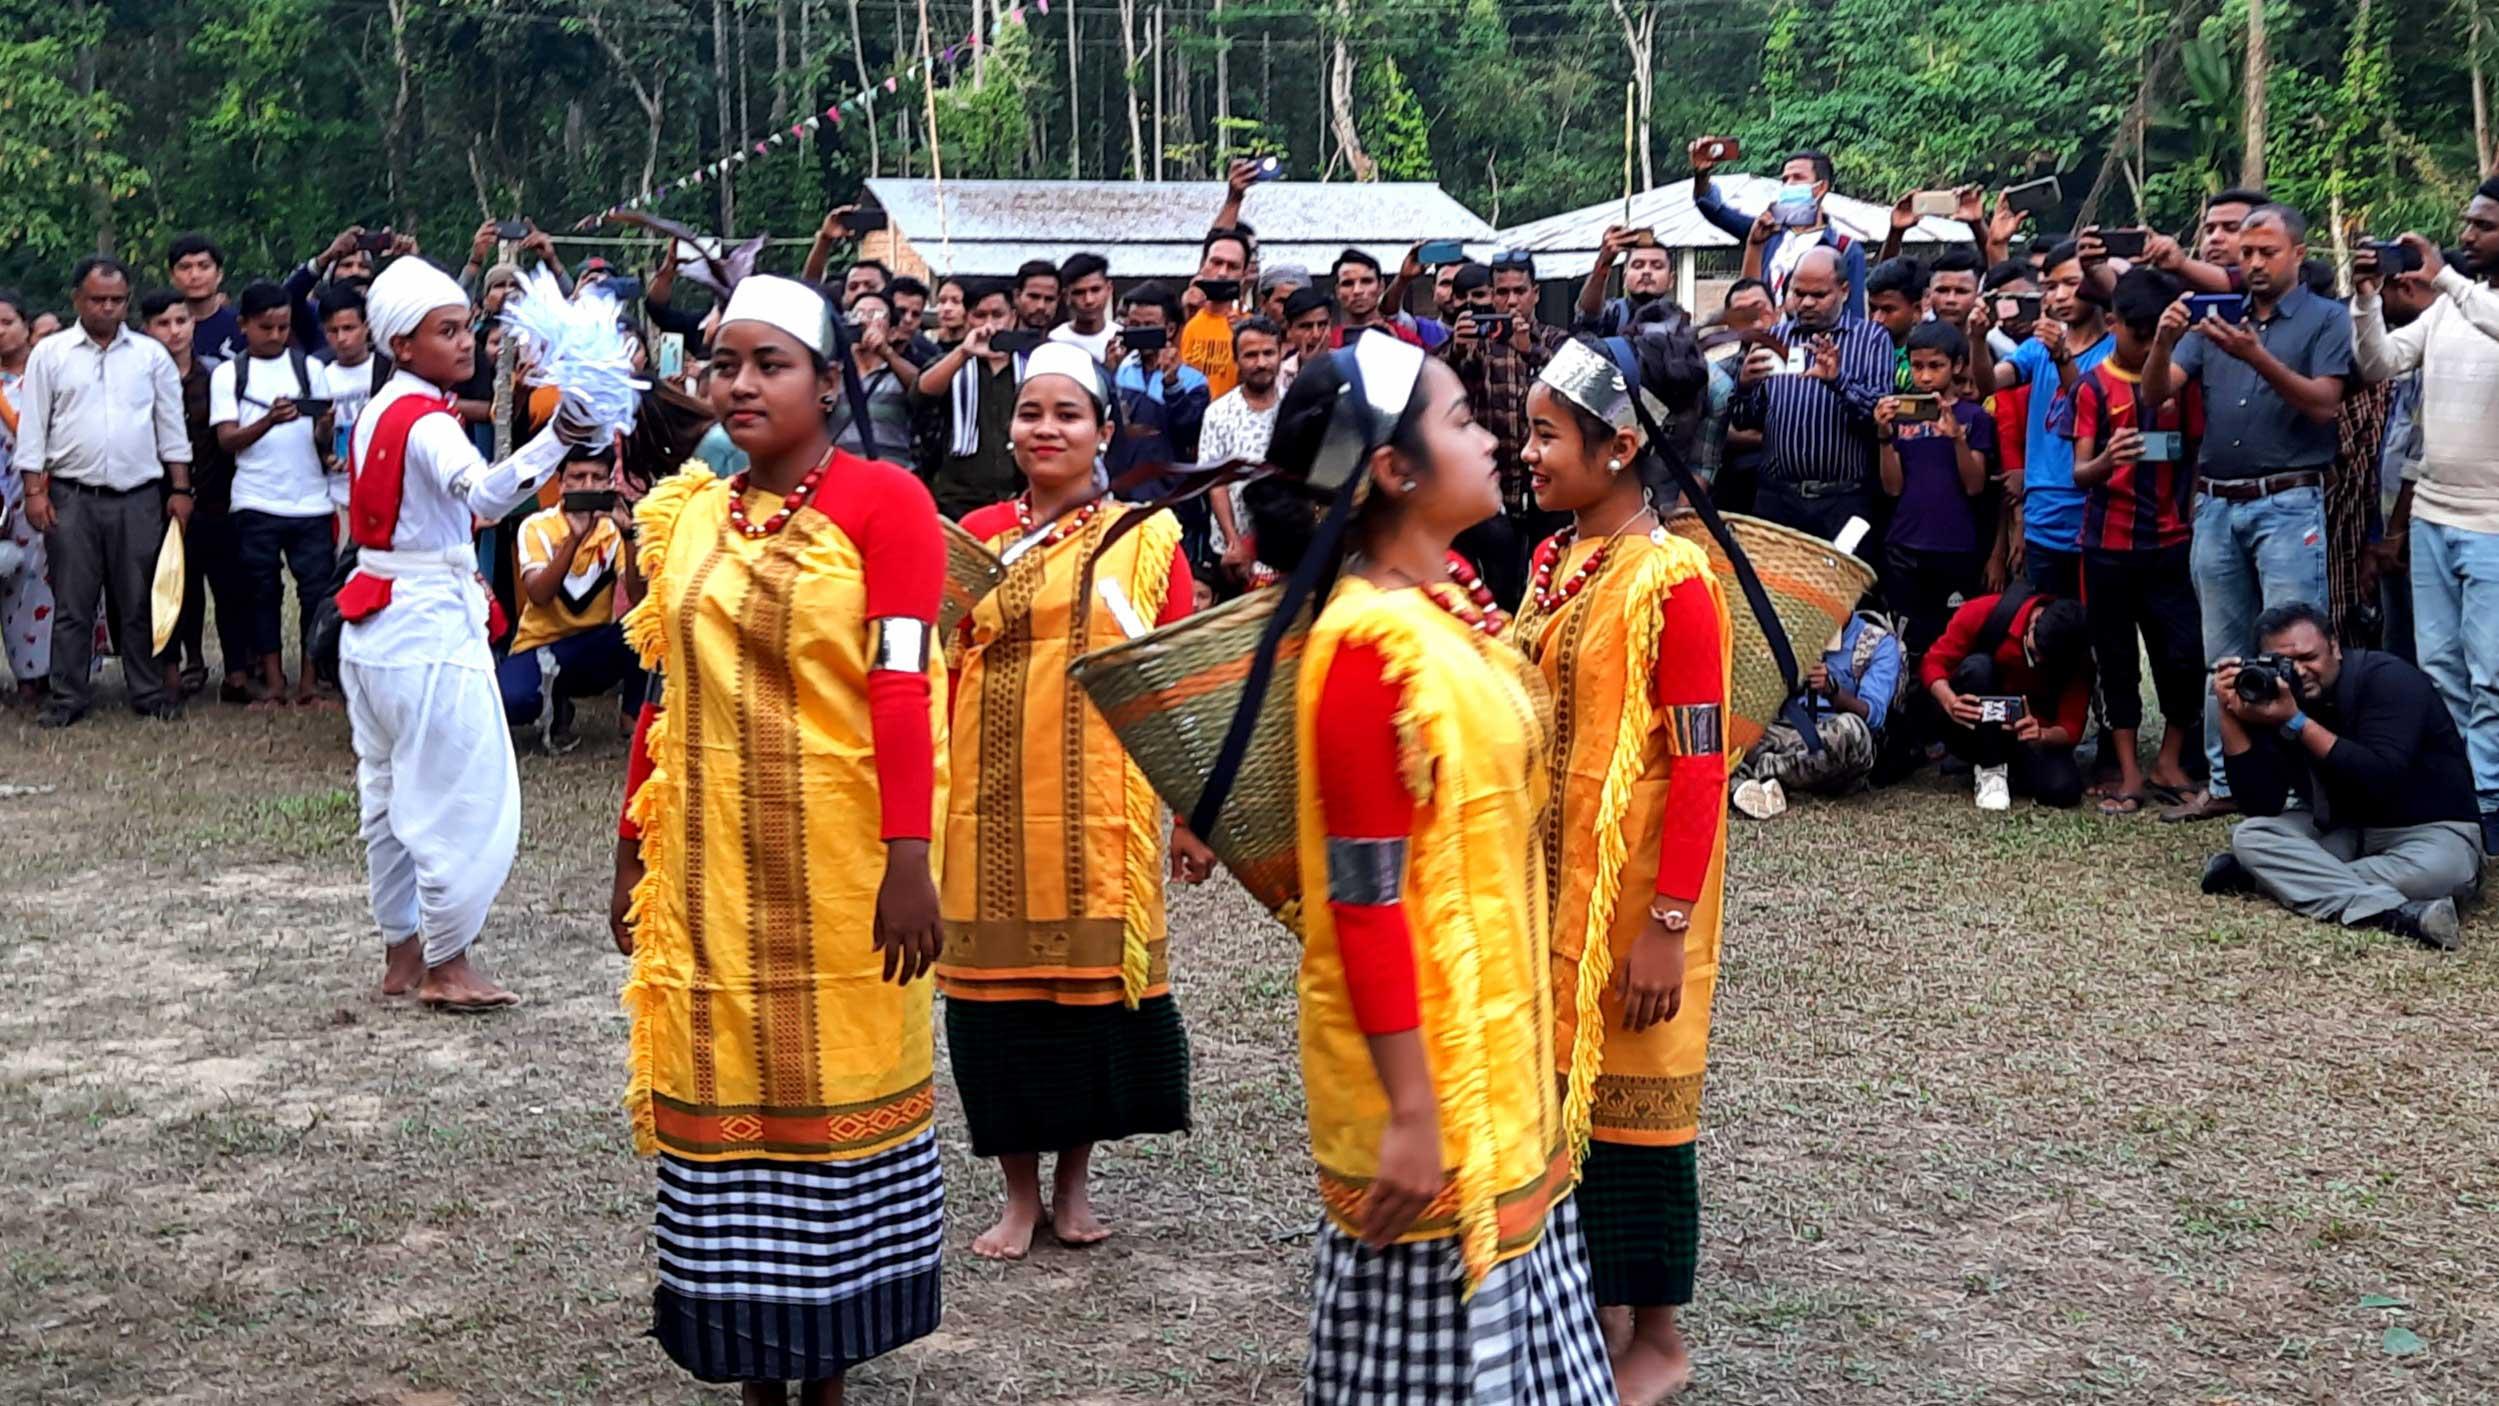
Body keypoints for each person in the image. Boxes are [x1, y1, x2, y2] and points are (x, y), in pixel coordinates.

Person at [1236, 335, 1609, 1403]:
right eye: (1460, 421)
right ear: (1393, 470)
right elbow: (1364, 898)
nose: (1492, 436)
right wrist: (1408, 1108)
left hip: (1498, 1051)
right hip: (1427, 1082)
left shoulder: (1453, 612)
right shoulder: (1368, 648)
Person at [610, 272, 951, 1403]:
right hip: (712, 873)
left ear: (825, 379)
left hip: (846, 866)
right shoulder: (695, 511)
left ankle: (828, 1370)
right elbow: (666, 687)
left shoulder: (885, 504)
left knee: (835, 1094)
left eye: (773, 364)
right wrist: (631, 847)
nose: (743, 383)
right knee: (732, 1103)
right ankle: (756, 1364)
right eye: (727, 364)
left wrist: (910, 855)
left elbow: (900, 688)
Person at [941, 341, 1208, 1261]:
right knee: (995, 1010)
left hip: (1102, 810)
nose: (1044, 429)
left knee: (1086, 1004)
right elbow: (936, 666)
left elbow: (1171, 682)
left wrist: (1190, 813)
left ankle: (1074, 1181)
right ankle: (1017, 1193)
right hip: (985, 806)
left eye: (1066, 414)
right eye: (1029, 413)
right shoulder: (974, 533)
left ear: (1102, 430)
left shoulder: (1144, 538)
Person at [1508, 324, 1727, 1404]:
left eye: (1547, 436)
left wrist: (1667, 924)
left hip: (1639, 895)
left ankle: (1662, 1339)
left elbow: (1699, 766)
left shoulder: (1675, 577)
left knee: (1639, 1105)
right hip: (1554, 880)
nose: (1527, 453)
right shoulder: (1553, 562)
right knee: (1565, 1097)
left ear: (1622, 447)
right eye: (1525, 432)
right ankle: (1586, 1308)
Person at [338, 255, 591, 1011]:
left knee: (385, 795)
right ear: (402, 346)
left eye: (466, 328)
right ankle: (447, 962)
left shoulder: (378, 411)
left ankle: (402, 953)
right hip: (424, 626)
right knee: (460, 792)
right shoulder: (426, 422)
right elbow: (483, 493)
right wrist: (559, 439)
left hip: (375, 623)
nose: (466, 344)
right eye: (445, 332)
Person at [2144, 203, 2352, 824]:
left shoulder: (2325, 318)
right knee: (2223, 651)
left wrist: (2257, 355)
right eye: (2246, 253)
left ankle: (2295, 786)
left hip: (2288, 500)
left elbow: (2324, 406)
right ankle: (2227, 778)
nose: (2254, 263)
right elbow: (2155, 396)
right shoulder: (2216, 321)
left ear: (2298, 255)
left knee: (2292, 648)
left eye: (2267, 252)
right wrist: (2162, 339)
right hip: (2216, 501)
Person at [2201, 603, 2480, 947]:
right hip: (2342, 828)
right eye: (2284, 663)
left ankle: (2274, 878)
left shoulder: (2388, 678)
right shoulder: (2271, 693)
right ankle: (2394, 914)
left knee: (2442, 872)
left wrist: (2296, 722)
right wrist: (2228, 713)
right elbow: (2260, 803)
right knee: (2250, 836)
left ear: (2335, 646)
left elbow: (2381, 775)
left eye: (2309, 657)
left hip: (2429, 830)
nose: (2299, 671)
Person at [2352, 202, 2499, 855]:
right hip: (2435, 513)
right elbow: (2378, 362)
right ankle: (2459, 794)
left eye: (2482, 225)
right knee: (2439, 665)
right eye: (2467, 223)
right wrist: (2363, 301)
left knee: (2490, 670)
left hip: (2493, 520)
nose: (2466, 235)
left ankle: (2489, 800)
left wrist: (2443, 276)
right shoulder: (2447, 305)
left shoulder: (2461, 298)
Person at [15, 256, 194, 727]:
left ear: (127, 301)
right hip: (72, 496)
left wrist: (181, 487)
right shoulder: (50, 354)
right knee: (73, 603)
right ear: (78, 299)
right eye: (98, 300)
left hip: (139, 495)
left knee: (138, 600)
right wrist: (34, 491)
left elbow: (171, 428)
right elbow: (33, 428)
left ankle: (148, 690)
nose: (108, 308)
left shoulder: (150, 355)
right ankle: (68, 696)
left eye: (117, 300)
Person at [2068, 267, 2206, 815]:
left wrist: (2191, 519)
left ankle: (2168, 760)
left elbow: (2193, 454)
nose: (2149, 344)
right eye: (2139, 332)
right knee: (2116, 659)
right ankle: (2127, 772)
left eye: (2159, 333)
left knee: (2183, 656)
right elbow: (2080, 472)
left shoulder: (2181, 381)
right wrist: (2106, 459)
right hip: (2107, 547)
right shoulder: (2092, 385)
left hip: (2169, 544)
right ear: (2111, 323)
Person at [212, 281, 340, 711]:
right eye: (266, 327)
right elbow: (227, 441)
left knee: (316, 592)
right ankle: (273, 682)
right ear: (244, 325)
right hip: (256, 499)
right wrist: (269, 420)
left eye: (284, 326)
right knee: (261, 592)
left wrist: (324, 426)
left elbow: (322, 440)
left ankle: (308, 681)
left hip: (311, 500)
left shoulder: (310, 369)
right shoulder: (230, 374)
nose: (276, 335)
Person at [1729, 246, 1891, 542]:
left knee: (1845, 587)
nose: (1805, 303)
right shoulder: (1774, 338)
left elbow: (1879, 416)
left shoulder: (1871, 338)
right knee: (1771, 586)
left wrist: (1837, 381)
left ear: (1844, 290)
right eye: (1798, 293)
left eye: (1818, 295)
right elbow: (1745, 419)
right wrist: (1744, 386)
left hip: (1843, 500)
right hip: (1777, 500)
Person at [1983, 240, 2117, 598]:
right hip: (2042, 518)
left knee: (2096, 630)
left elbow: (2092, 415)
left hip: (2092, 515)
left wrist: (2062, 357)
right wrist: (1975, 338)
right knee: (2048, 631)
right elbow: (1987, 384)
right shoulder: (2035, 348)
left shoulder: (2116, 350)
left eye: (2071, 284)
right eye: (2050, 287)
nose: (2059, 296)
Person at [1441, 259, 1570, 608]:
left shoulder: (1557, 340)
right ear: (1491, 296)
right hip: (1491, 488)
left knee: (1551, 574)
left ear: (1535, 294)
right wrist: (1458, 350)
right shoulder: (1473, 343)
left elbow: (1575, 391)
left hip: (1549, 482)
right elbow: (1440, 395)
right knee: (1496, 587)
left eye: (1519, 291)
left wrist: (1531, 352)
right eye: (1502, 292)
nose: (1511, 301)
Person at [496, 444, 639, 748]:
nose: (587, 485)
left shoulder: (614, 530)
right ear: (560, 484)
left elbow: (640, 599)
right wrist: (574, 538)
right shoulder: (537, 527)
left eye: (597, 477)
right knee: (511, 703)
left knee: (647, 626)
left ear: (609, 484)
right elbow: (539, 595)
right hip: (539, 645)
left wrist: (630, 537)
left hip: (591, 646)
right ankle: (557, 703)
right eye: (577, 477)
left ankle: (633, 718)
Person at [137, 287, 242, 702]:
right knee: (173, 586)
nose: (174, 331)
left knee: (229, 585)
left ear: (192, 324)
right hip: (161, 497)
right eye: (163, 323)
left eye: (181, 321)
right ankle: (176, 666)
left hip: (216, 495)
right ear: (147, 329)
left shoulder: (217, 377)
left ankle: (236, 670)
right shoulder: (139, 381)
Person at [1878, 321, 1995, 656]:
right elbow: (1892, 487)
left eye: (1935, 366)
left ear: (1957, 365)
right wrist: (1884, 435)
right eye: (1917, 366)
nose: (1926, 376)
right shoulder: (1901, 416)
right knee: (1906, 641)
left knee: (1951, 638)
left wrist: (1957, 437)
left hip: (1954, 547)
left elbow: (1975, 486)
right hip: (1904, 544)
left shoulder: (1975, 418)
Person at [1921, 590, 2093, 810]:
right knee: (1979, 668)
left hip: (2024, 738)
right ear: (2034, 621)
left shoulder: (2078, 658)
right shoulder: (1984, 611)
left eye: (2045, 661)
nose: (2037, 661)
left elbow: (2071, 727)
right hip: (1970, 722)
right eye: (2033, 652)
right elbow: (1933, 662)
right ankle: (1988, 767)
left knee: (2063, 790)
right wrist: (1949, 701)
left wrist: (2041, 734)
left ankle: (1997, 766)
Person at [1729, 610, 1905, 816]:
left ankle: (1759, 774)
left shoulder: (1877, 643)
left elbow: (1873, 715)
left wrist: (1833, 691)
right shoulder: (1788, 632)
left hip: (1830, 741)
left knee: (1852, 731)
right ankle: (1753, 783)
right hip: (1784, 730)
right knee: (1728, 722)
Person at [1690, 138, 1868, 316]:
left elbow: (1854, 318)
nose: (1788, 184)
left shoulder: (1845, 249)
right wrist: (1702, 174)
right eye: (1785, 179)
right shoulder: (1767, 233)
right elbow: (1714, 210)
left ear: (1820, 188)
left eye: (1797, 178)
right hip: (1764, 340)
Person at [914, 278, 1022, 519]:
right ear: (968, 318)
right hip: (958, 500)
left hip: (1018, 497)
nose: (989, 325)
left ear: (1013, 317)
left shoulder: (1030, 363)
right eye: (979, 316)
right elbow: (921, 395)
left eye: (998, 315)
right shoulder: (952, 361)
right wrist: (964, 353)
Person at [1203, 315, 1285, 583]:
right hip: (1233, 549)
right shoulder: (1219, 412)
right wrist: (1234, 541)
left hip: (1284, 544)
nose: (1261, 363)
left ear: (1281, 353)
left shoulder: (1295, 402)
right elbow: (1215, 482)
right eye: (1251, 355)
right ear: (1236, 359)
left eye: (1268, 353)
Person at [0, 289, 49, 704]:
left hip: (45, 499)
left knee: (47, 587)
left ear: (27, 327)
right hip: (3, 505)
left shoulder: (46, 378)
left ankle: (52, 675)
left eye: (5, 322)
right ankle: (23, 678)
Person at [828, 288, 919, 462]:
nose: (864, 320)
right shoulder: (832, 375)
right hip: (841, 476)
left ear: (892, 333)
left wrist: (886, 352)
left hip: (892, 476)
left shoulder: (898, 373)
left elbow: (921, 388)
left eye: (875, 315)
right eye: (857, 314)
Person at [1180, 227, 1253, 399]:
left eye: (1232, 266)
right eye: (1216, 262)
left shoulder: (1249, 325)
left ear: (1243, 274)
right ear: (1203, 266)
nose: (1222, 273)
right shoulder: (1184, 317)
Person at [1577, 225, 1678, 337]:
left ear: (1671, 280)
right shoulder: (1613, 313)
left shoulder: (1680, 323)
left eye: (1657, 266)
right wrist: (1603, 264)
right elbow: (1587, 317)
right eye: (1638, 265)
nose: (1646, 271)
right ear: (1624, 278)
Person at [168, 233, 243, 363]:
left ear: (219, 274)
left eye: (204, 266)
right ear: (172, 276)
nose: (195, 275)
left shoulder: (242, 327)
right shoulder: (159, 332)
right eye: (185, 267)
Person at [1327, 248, 1421, 350]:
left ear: (1381, 286)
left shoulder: (1405, 338)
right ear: (1337, 291)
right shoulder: (1327, 343)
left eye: (1366, 281)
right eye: (1348, 283)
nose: (1357, 291)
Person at [1865, 257, 1930, 390]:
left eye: (1888, 310)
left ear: (1917, 310)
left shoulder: (1929, 357)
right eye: (1873, 308)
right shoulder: (1862, 351)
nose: (1877, 319)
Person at [1046, 252, 1118, 360]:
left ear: (1109, 289)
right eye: (1079, 292)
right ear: (1066, 296)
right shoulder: (1055, 341)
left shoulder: (1120, 337)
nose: (1089, 300)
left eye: (1095, 290)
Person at [1280, 285, 1332, 385]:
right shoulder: (1279, 375)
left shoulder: (1347, 367)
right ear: (1289, 330)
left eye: (1322, 325)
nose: (1316, 335)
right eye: (1306, 326)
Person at [1012, 258, 1061, 333]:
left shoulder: (1065, 342)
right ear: (1017, 296)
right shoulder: (994, 341)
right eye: (1034, 297)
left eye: (1049, 299)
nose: (1041, 306)